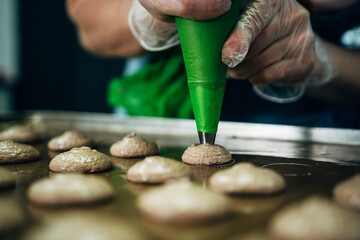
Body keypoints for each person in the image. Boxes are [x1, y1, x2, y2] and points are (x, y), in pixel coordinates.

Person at [67, 0, 360, 128]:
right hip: (165, 123)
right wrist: (147, 16)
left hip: (328, 138)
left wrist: (321, 61)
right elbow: (89, 21)